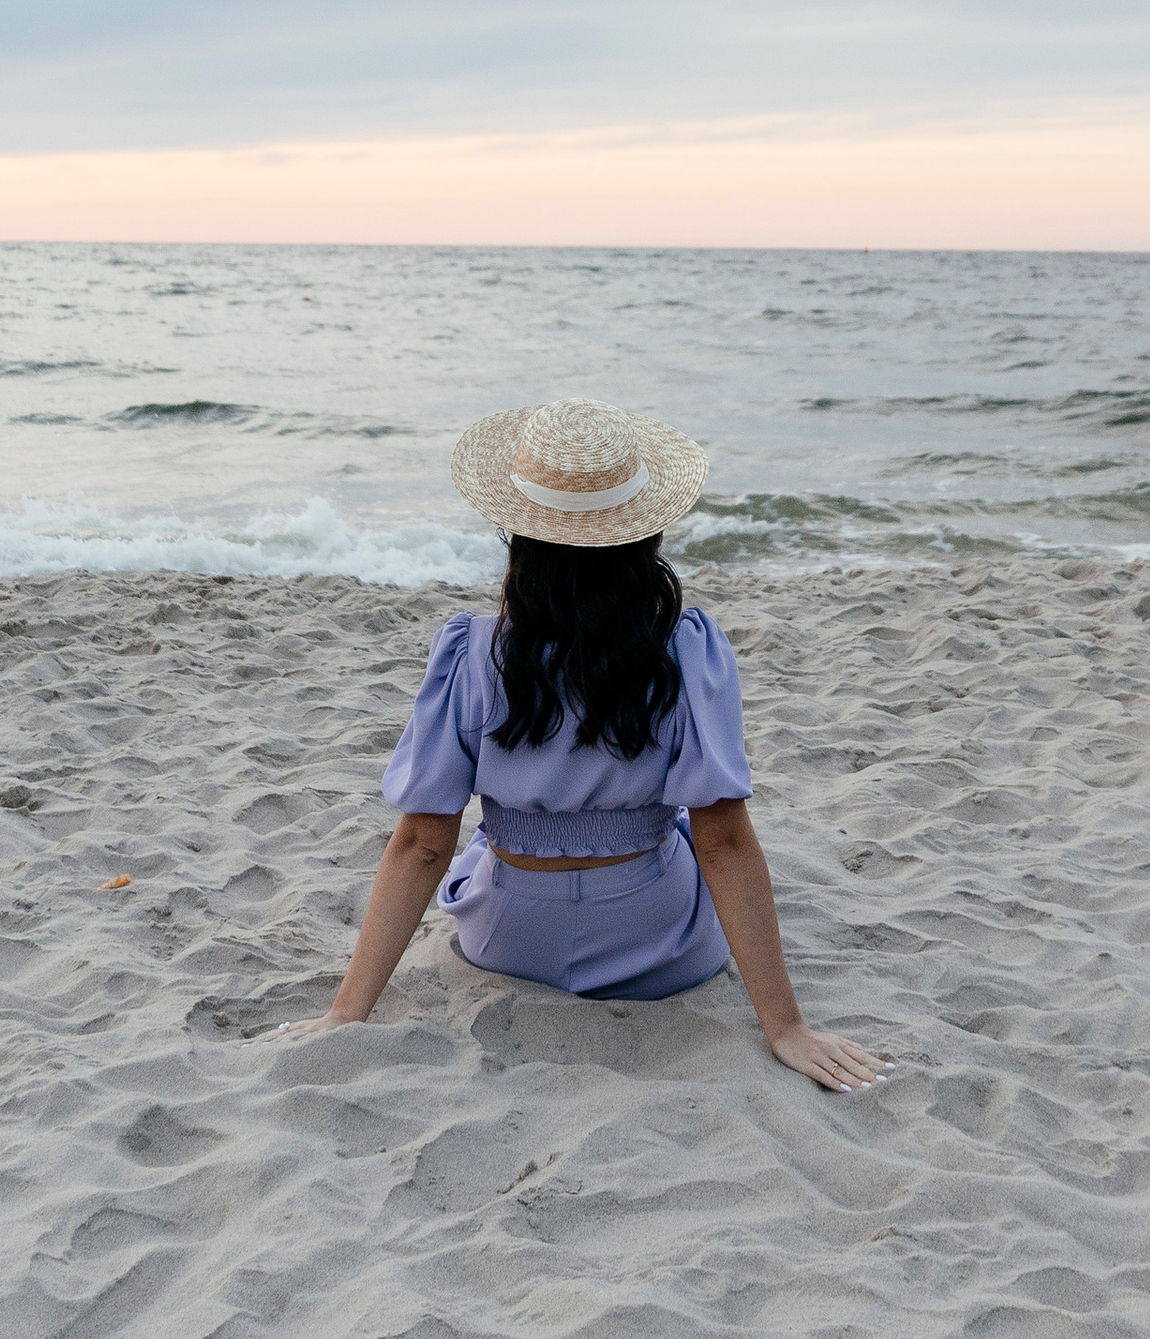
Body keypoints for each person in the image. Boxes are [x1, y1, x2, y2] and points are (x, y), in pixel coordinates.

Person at [291, 394, 888, 1094]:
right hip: (654, 948)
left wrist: (346, 1011)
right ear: (645, 535)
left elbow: (423, 842)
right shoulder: (687, 652)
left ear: (518, 533)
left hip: (507, 941)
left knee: (483, 850)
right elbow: (724, 840)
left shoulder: (470, 653)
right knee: (692, 846)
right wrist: (785, 1028)